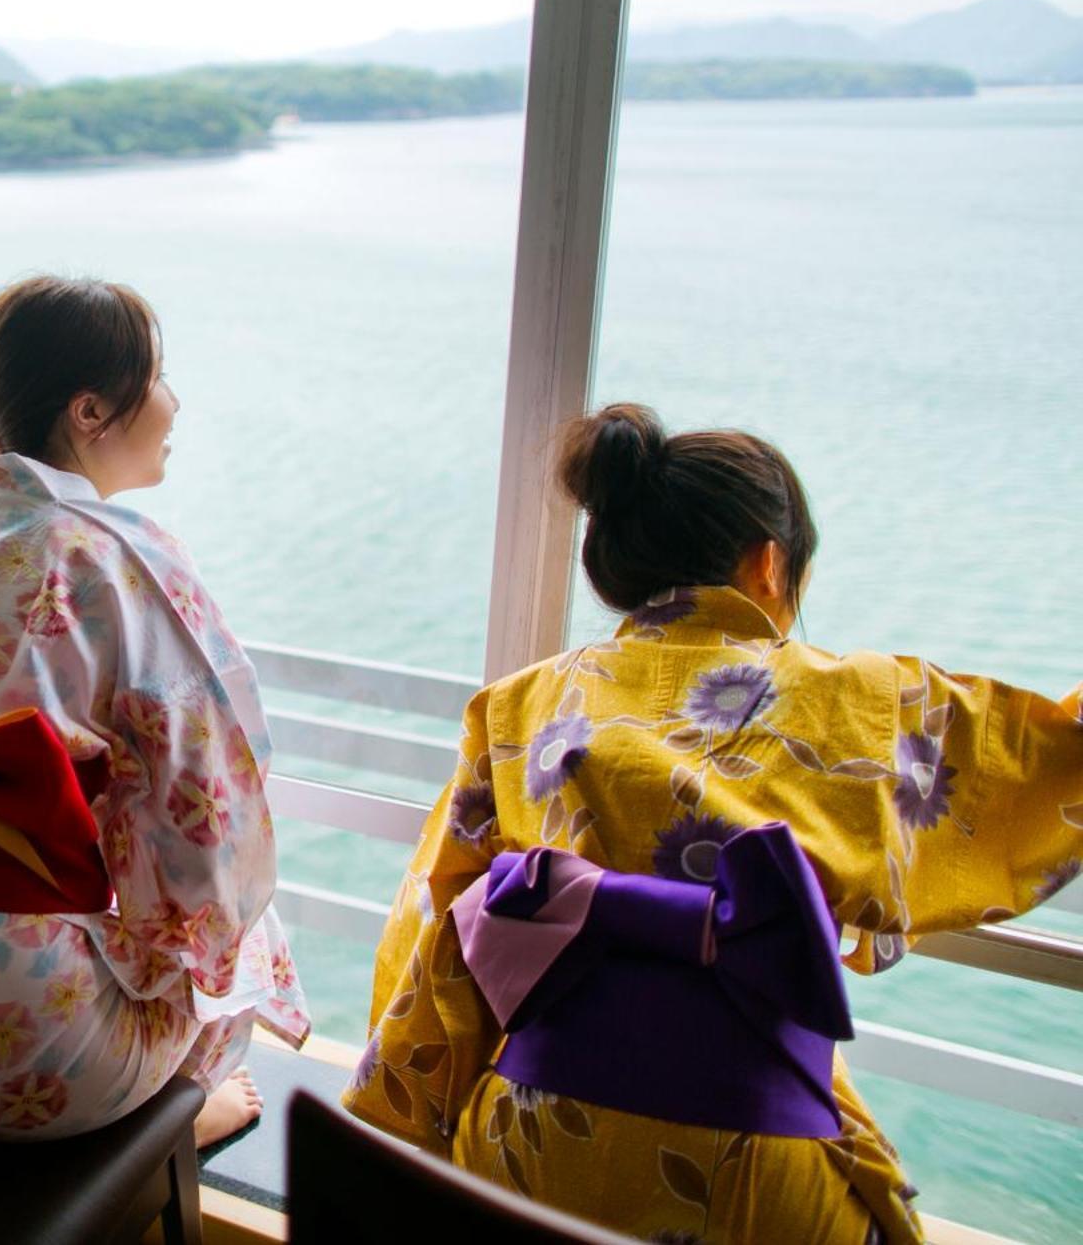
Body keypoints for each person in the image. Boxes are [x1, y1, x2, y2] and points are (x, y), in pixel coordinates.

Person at [342, 402, 1083, 1244]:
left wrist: (414, 1097)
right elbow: (1048, 769)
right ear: (769, 565)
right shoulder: (866, 702)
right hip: (748, 1159)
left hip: (529, 1138)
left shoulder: (516, 705)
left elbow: (437, 915)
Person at [0, 275, 310, 1144]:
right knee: (251, 932)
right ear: (89, 412)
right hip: (23, 1045)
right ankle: (170, 1120)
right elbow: (208, 822)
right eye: (157, 378)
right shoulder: (120, 561)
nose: (173, 401)